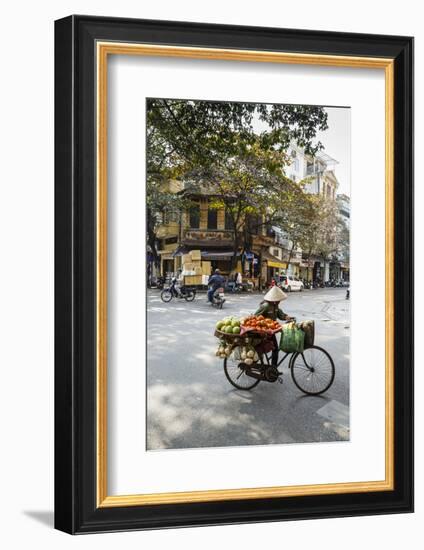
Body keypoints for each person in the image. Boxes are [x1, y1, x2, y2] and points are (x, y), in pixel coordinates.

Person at [254, 285, 293, 365]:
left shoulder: (275, 306)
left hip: (271, 331)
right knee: (271, 349)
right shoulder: (266, 306)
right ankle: (271, 368)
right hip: (263, 332)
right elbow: (255, 316)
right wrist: (263, 322)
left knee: (273, 348)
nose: (280, 301)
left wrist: (286, 317)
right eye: (278, 299)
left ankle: (272, 368)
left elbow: (280, 314)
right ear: (274, 299)